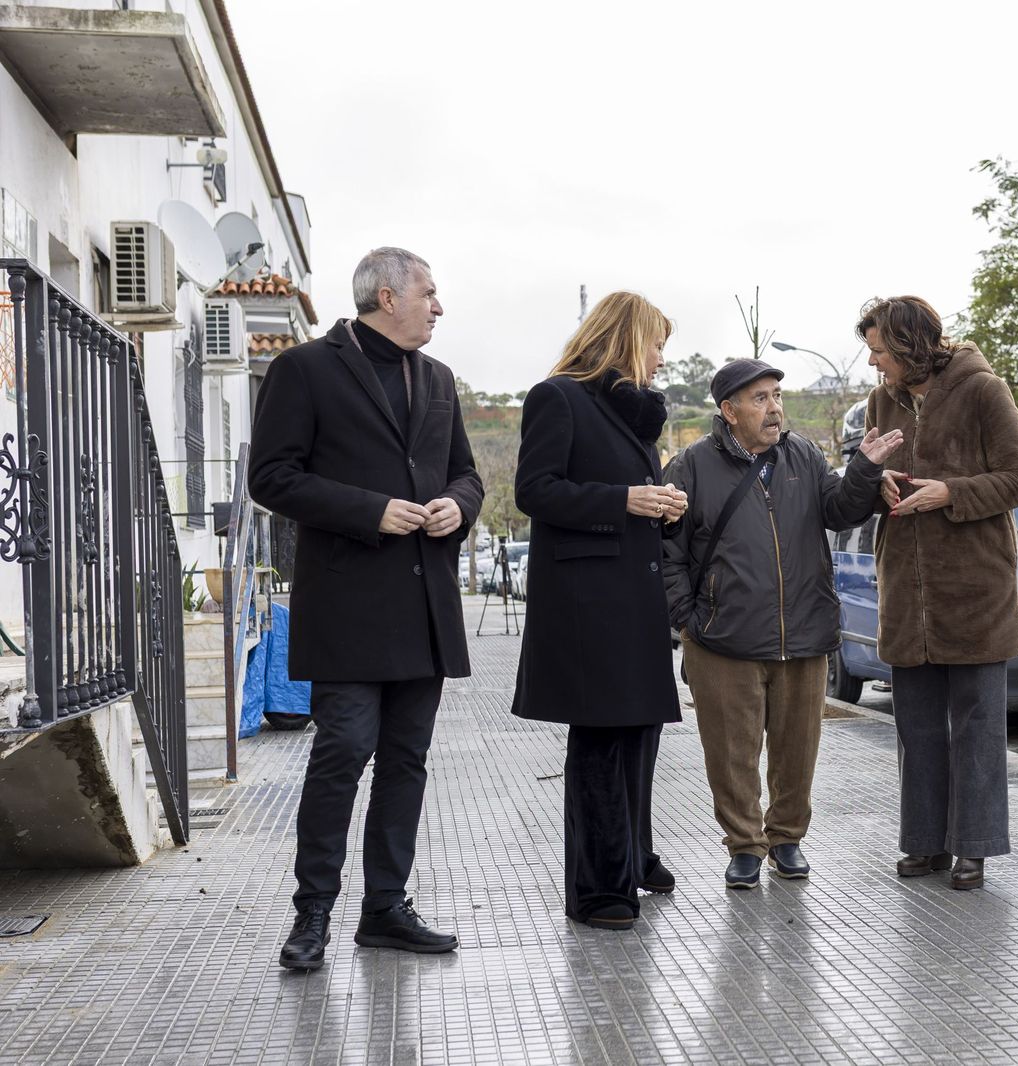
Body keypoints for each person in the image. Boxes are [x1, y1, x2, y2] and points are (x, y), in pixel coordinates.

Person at [251, 247, 483, 970]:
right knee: (343, 751)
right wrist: (370, 511)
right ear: (387, 297)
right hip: (347, 606)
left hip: (424, 606)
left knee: (406, 761)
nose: (438, 306)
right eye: (429, 292)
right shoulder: (304, 369)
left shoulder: (438, 379)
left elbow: (467, 473)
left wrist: (458, 506)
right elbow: (271, 478)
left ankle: (385, 908)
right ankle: (312, 914)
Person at [662, 360, 902, 888]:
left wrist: (864, 467)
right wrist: (690, 619)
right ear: (729, 411)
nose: (774, 408)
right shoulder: (691, 466)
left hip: (803, 632)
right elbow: (667, 553)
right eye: (760, 399)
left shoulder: (804, 455)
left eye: (776, 396)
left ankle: (787, 838)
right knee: (731, 754)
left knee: (797, 748)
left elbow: (840, 510)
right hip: (722, 639)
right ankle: (745, 845)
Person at [509, 291, 688, 931]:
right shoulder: (556, 397)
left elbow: (627, 495)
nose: (661, 358)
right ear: (627, 339)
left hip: (633, 594)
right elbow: (535, 490)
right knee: (604, 738)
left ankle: (632, 857)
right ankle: (596, 891)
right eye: (656, 344)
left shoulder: (634, 416)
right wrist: (625, 500)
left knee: (639, 730)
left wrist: (663, 506)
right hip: (588, 603)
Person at [859, 296, 1018, 891]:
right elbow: (868, 471)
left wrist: (950, 493)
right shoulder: (882, 401)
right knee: (915, 727)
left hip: (975, 591)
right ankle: (925, 844)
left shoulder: (984, 391)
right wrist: (879, 483)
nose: (873, 363)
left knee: (977, 728)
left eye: (879, 351)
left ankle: (973, 848)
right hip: (905, 591)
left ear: (909, 346)